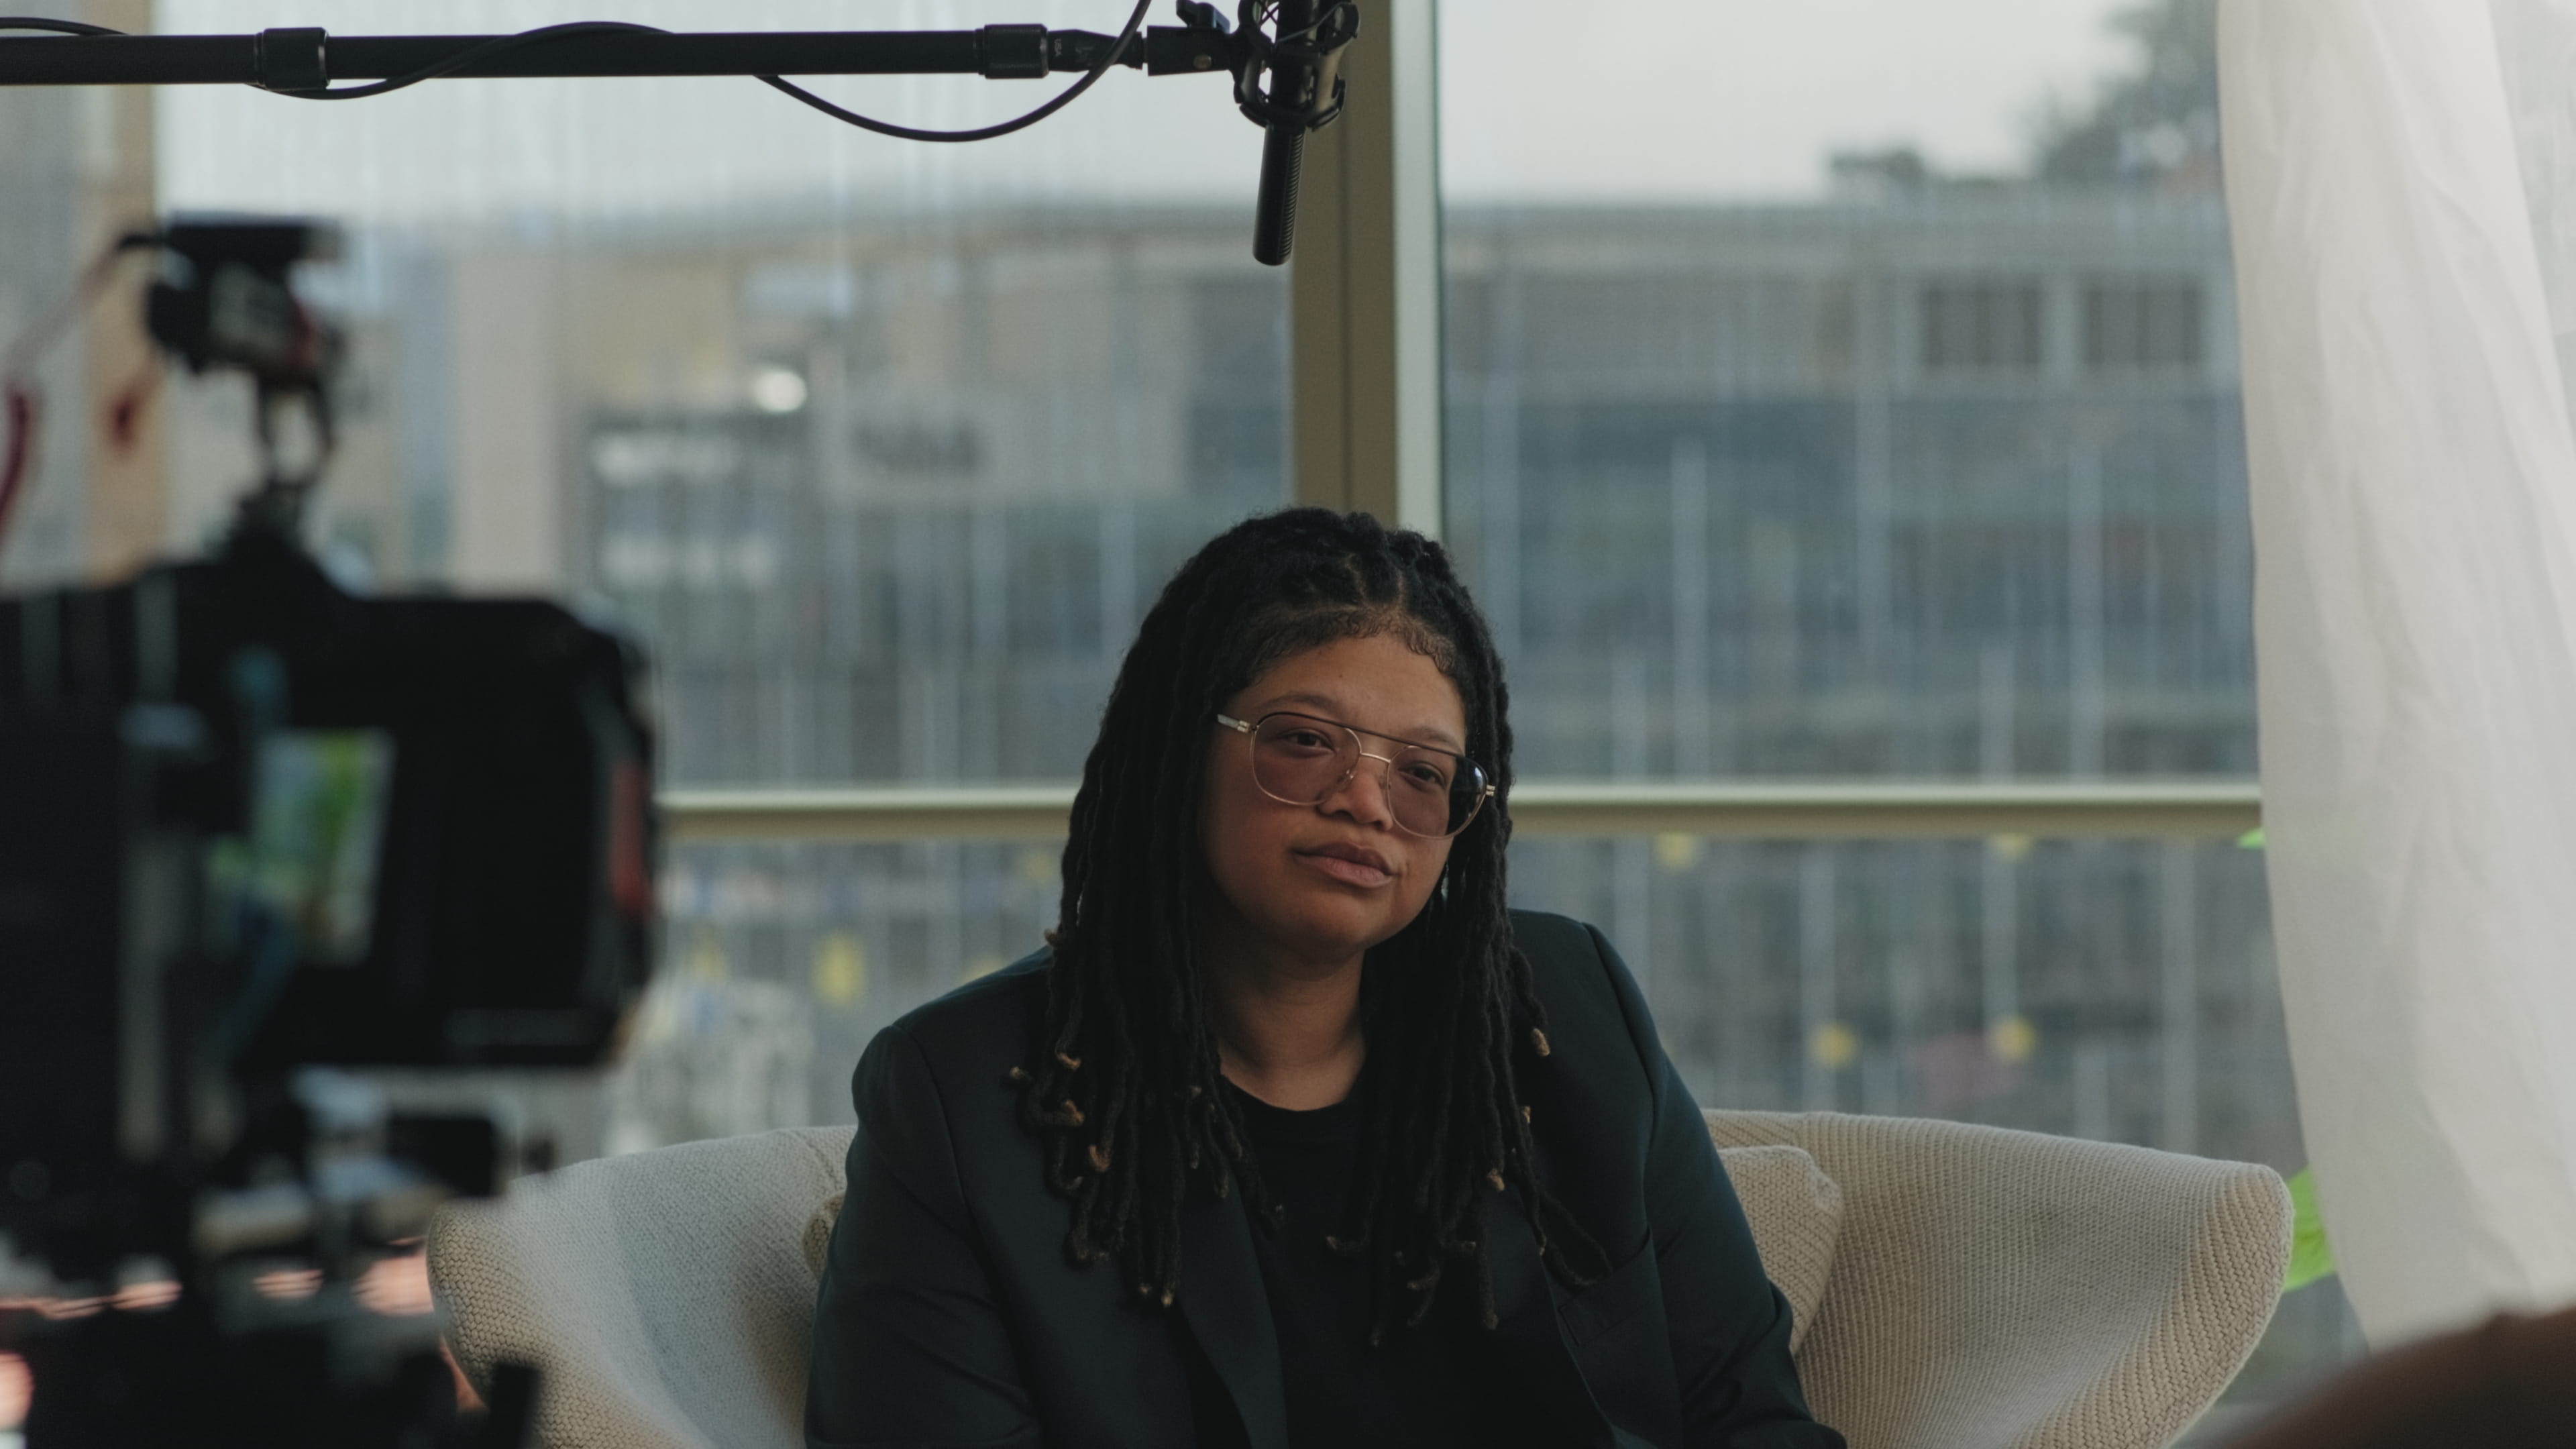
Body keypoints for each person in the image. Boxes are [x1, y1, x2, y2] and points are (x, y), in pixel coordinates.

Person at [805, 508, 1841, 1449]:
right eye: (1305, 743)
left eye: (1423, 774)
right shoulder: (963, 1099)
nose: (1367, 802)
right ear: (1180, 749)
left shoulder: (1569, 1013)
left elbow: (1751, 1422)